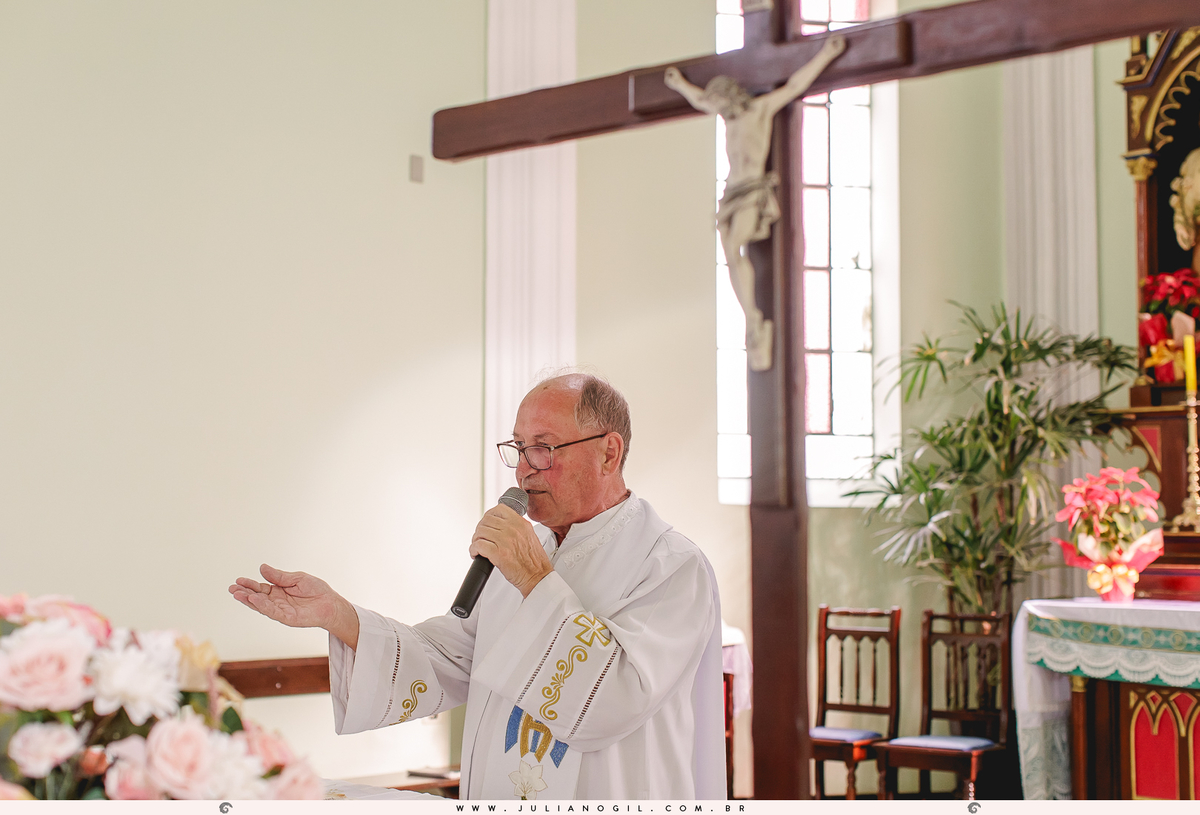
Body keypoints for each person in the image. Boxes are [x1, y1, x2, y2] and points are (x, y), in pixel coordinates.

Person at [229, 373, 725, 800]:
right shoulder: (530, 550)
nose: (524, 467)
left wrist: (535, 580)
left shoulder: (670, 565)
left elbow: (616, 699)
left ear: (609, 452)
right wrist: (337, 614)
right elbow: (451, 657)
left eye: (544, 448)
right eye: (519, 447)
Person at [664, 35, 845, 372]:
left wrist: (825, 54)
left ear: (732, 96)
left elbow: (794, 86)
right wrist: (679, 85)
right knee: (731, 253)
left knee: (735, 247)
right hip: (731, 194)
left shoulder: (759, 110)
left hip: (751, 189)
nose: (718, 110)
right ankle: (751, 318)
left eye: (721, 103)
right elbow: (701, 99)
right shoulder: (728, 116)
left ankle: (753, 319)